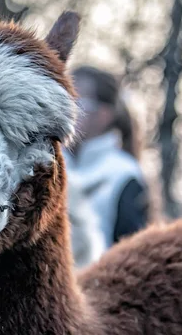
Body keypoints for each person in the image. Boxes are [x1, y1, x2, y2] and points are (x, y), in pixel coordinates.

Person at [64, 65, 149, 267]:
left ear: (104, 115)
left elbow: (132, 257)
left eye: (77, 102)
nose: (66, 109)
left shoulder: (123, 174)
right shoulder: (50, 166)